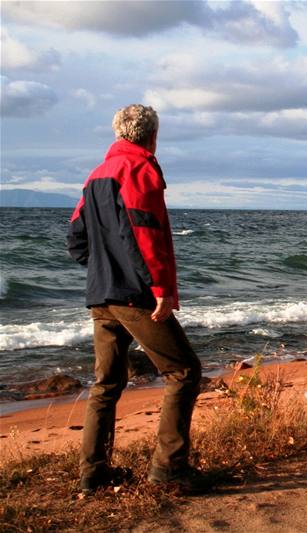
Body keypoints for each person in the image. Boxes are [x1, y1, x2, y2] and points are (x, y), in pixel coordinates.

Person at [67, 104, 203, 494]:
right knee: (183, 371)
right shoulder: (140, 168)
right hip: (135, 296)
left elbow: (76, 238)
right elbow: (146, 234)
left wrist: (103, 268)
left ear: (117, 133)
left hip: (101, 296)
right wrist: (160, 289)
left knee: (105, 384)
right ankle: (168, 469)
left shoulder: (95, 175)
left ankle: (93, 475)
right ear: (152, 135)